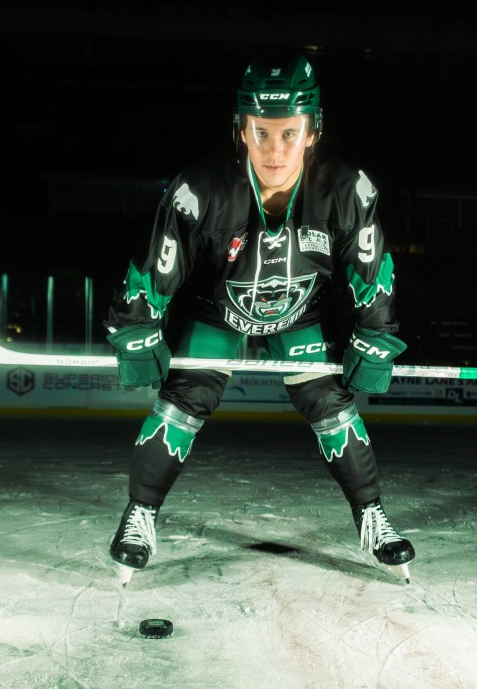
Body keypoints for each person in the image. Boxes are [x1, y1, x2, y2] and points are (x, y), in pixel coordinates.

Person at [103, 53, 415, 583]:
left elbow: (371, 267)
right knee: (185, 397)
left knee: (330, 404)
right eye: (261, 133)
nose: (275, 150)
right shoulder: (198, 188)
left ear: (313, 131)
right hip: (215, 311)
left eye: (289, 134)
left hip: (302, 312)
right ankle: (139, 516)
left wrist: (375, 335)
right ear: (240, 129)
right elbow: (159, 264)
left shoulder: (347, 189)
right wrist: (136, 325)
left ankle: (372, 516)